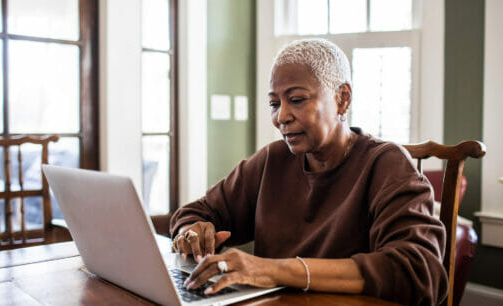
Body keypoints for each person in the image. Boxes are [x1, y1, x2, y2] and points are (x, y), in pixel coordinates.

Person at [169, 38, 448, 305]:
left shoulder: (385, 164)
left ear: (342, 99)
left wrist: (274, 270)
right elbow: (197, 212)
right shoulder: (273, 160)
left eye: (298, 99)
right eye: (274, 104)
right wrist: (192, 231)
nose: (281, 117)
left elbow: (419, 271)